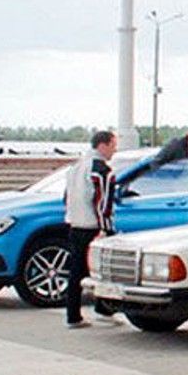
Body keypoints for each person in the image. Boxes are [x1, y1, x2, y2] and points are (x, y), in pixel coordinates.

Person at [63, 129, 117, 328]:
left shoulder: (75, 167)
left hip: (75, 223)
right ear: (102, 145)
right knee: (103, 271)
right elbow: (103, 202)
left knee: (76, 271)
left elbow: (66, 197)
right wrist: (105, 227)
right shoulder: (101, 170)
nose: (114, 150)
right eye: (113, 145)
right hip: (93, 226)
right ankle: (104, 310)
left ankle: (73, 315)